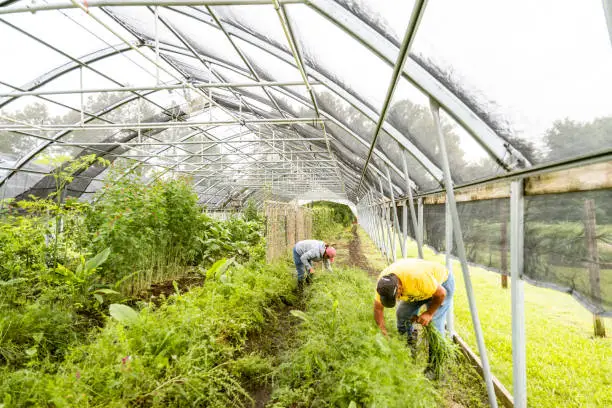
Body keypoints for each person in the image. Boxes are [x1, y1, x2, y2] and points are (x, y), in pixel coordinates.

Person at [373, 258, 454, 339]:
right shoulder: (383, 286)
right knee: (403, 314)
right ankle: (407, 342)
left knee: (434, 324)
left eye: (395, 297)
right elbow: (378, 309)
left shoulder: (416, 278)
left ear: (399, 288)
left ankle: (438, 350)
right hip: (420, 288)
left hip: (441, 284)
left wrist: (429, 313)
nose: (397, 299)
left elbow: (441, 293)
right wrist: (383, 331)